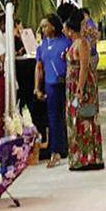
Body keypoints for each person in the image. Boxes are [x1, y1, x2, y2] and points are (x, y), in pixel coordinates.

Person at [61, 7, 103, 171]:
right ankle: (79, 157)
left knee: (85, 118)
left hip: (82, 85)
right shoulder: (74, 44)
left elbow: (84, 67)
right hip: (73, 85)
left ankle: (88, 157)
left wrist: (80, 87)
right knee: (75, 120)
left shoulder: (82, 43)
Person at [34, 14, 70, 168]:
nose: (43, 29)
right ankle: (55, 151)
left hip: (66, 83)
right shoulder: (42, 45)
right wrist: (37, 87)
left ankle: (70, 146)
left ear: (53, 27)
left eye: (45, 26)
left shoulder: (66, 42)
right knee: (54, 118)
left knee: (68, 116)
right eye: (41, 27)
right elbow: (39, 67)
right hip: (51, 84)